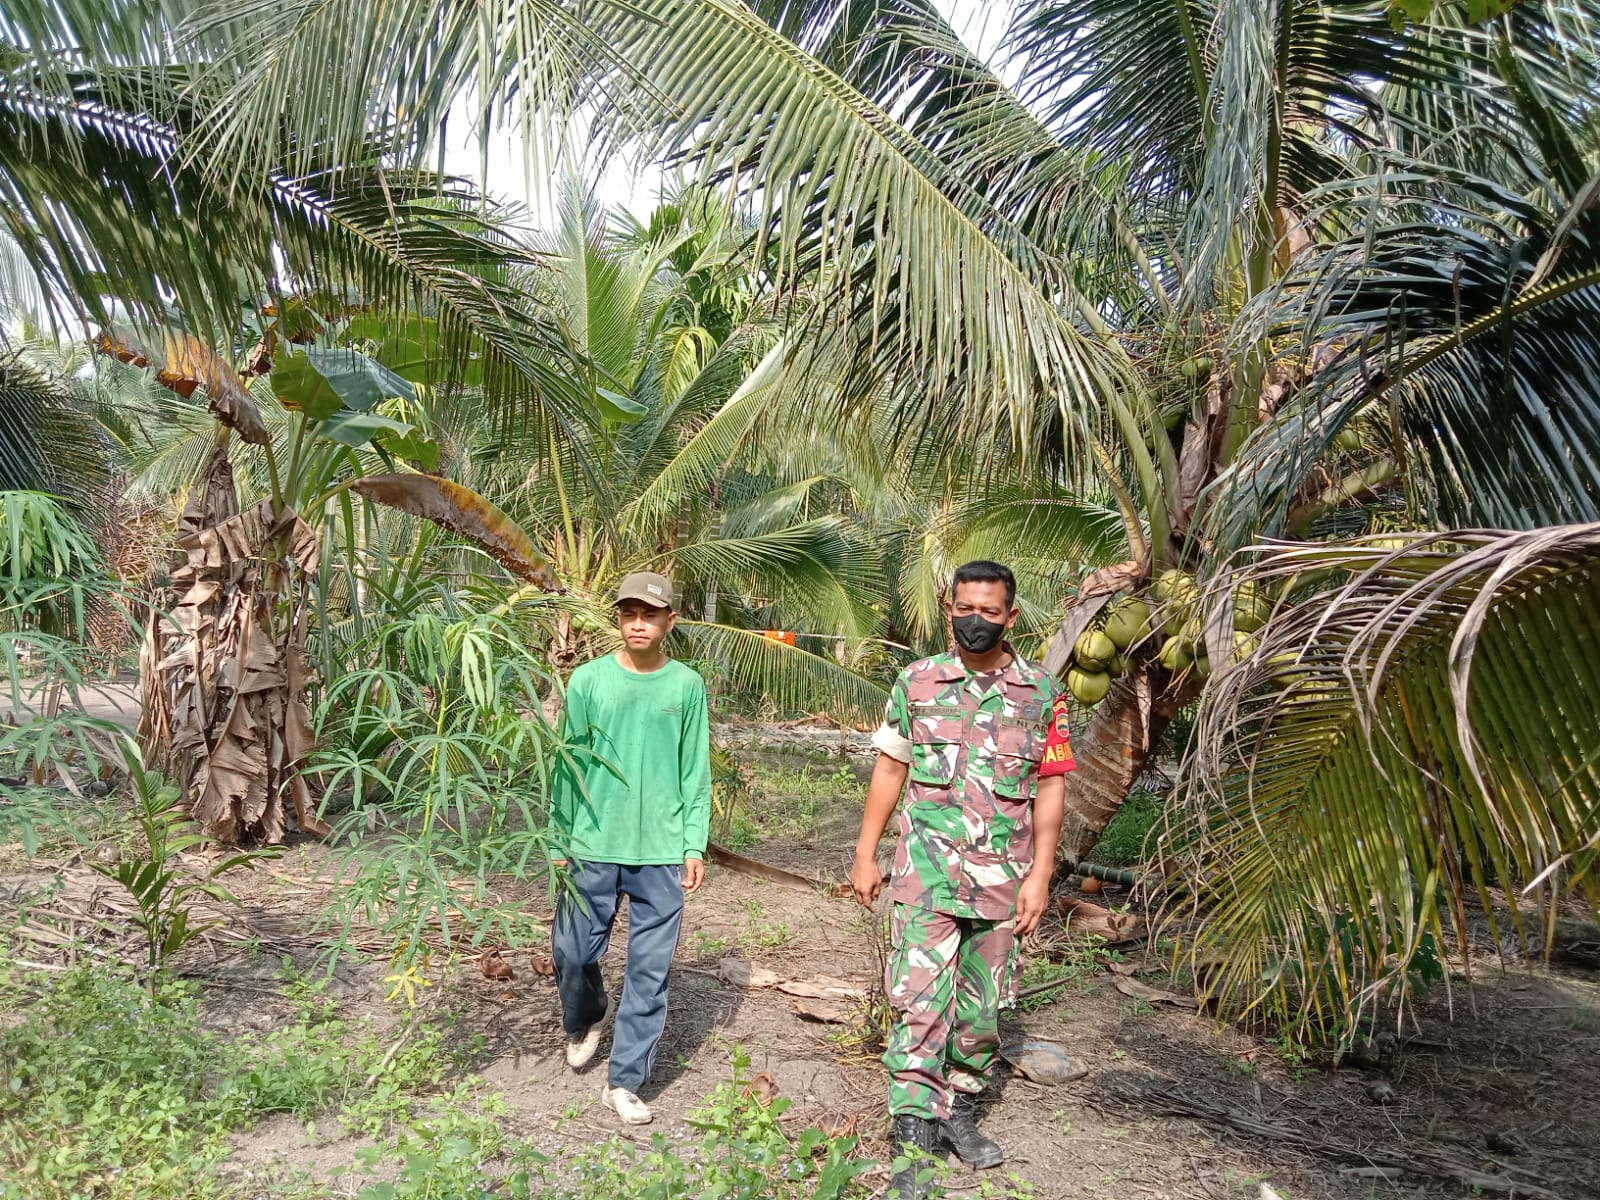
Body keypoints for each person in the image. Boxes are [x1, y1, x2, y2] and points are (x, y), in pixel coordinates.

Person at [850, 560, 1074, 1200]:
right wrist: (867, 855)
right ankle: (913, 1133)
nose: (975, 620)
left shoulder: (1040, 691)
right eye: (964, 607)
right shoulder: (916, 682)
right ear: (948, 608)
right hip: (924, 875)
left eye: (989, 611)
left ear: (1010, 616)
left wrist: (1042, 874)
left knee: (980, 1013)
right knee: (919, 1003)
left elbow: (1050, 787)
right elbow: (891, 771)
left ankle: (959, 1110)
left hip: (1003, 881)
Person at [549, 571, 711, 1126]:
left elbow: (695, 770)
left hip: (662, 851)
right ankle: (588, 1014)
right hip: (593, 840)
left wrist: (694, 843)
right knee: (572, 951)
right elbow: (567, 761)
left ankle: (624, 1081)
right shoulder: (589, 682)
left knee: (649, 968)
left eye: (650, 614)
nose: (638, 623)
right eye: (628, 614)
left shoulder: (685, 686)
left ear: (670, 620)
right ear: (618, 618)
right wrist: (558, 833)